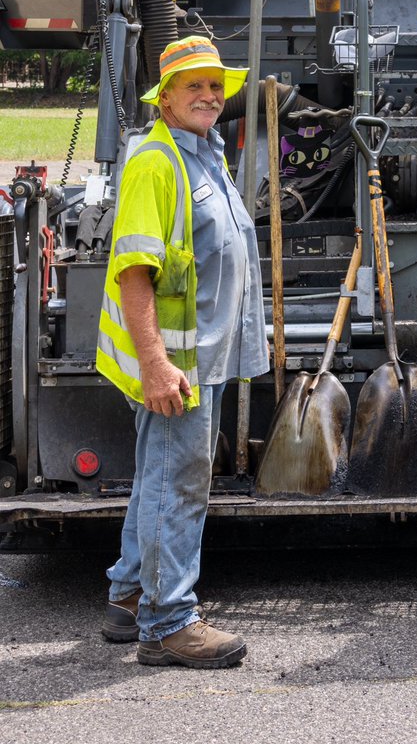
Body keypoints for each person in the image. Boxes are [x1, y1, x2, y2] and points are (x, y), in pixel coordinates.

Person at [96, 35, 269, 668]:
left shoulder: (206, 152)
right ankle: (168, 623)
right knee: (179, 482)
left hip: (201, 353)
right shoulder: (155, 161)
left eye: (215, 85)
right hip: (176, 361)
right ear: (164, 98)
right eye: (193, 85)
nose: (208, 95)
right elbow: (132, 269)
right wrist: (155, 362)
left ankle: (130, 595)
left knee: (158, 477)